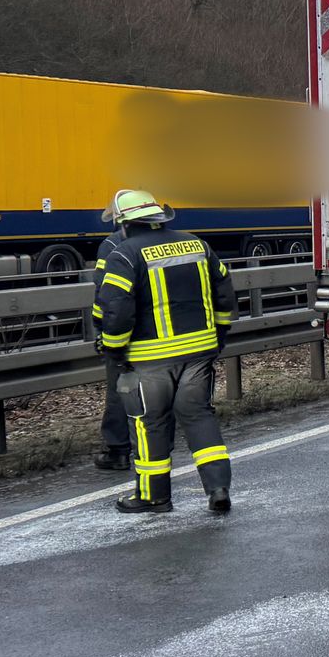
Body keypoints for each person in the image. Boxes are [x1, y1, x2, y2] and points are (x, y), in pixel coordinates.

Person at [95, 190, 237, 515]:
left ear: (125, 224)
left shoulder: (124, 254)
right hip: (199, 352)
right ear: (159, 218)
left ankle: (153, 497)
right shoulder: (196, 244)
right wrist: (219, 335)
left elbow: (116, 309)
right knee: (199, 415)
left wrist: (115, 350)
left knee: (149, 423)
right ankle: (218, 488)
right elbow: (225, 291)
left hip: (149, 358)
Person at [90, 224, 132, 471]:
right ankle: (153, 446)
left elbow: (104, 293)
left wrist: (101, 332)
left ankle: (119, 450)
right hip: (160, 334)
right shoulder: (163, 243)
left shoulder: (112, 245)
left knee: (121, 388)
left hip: (123, 331)